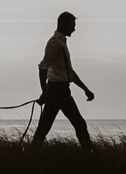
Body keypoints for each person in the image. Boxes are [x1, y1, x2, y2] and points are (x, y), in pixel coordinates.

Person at [30, 11, 94, 151]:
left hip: (61, 90)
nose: (74, 29)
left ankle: (30, 153)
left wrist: (85, 89)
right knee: (79, 124)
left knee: (45, 127)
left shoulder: (61, 43)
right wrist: (45, 92)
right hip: (57, 91)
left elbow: (69, 72)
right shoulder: (55, 44)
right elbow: (43, 67)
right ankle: (91, 154)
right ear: (64, 24)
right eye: (72, 25)